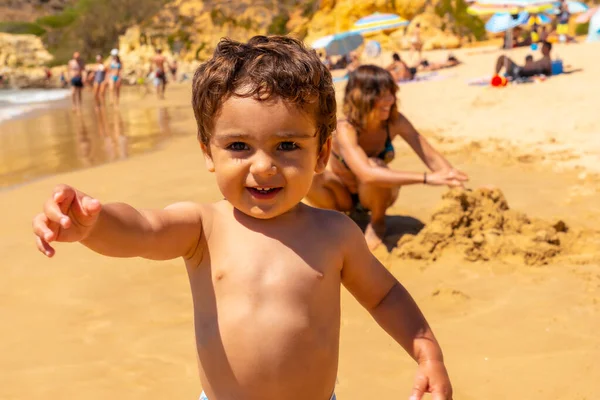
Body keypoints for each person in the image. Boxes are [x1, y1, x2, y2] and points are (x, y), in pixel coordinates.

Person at [31, 35, 453, 400]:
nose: (264, 166)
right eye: (238, 146)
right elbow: (141, 230)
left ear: (322, 153)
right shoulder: (203, 228)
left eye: (287, 145)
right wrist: (94, 223)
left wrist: (425, 349)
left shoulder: (335, 233)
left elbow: (384, 295)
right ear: (207, 151)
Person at [306, 65, 468, 250]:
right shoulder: (345, 128)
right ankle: (337, 222)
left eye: (391, 94)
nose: (389, 100)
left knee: (376, 164)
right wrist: (426, 178)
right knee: (313, 177)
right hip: (344, 195)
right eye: (382, 96)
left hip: (379, 195)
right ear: (361, 98)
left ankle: (377, 223)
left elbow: (429, 155)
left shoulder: (395, 122)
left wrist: (459, 188)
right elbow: (366, 173)